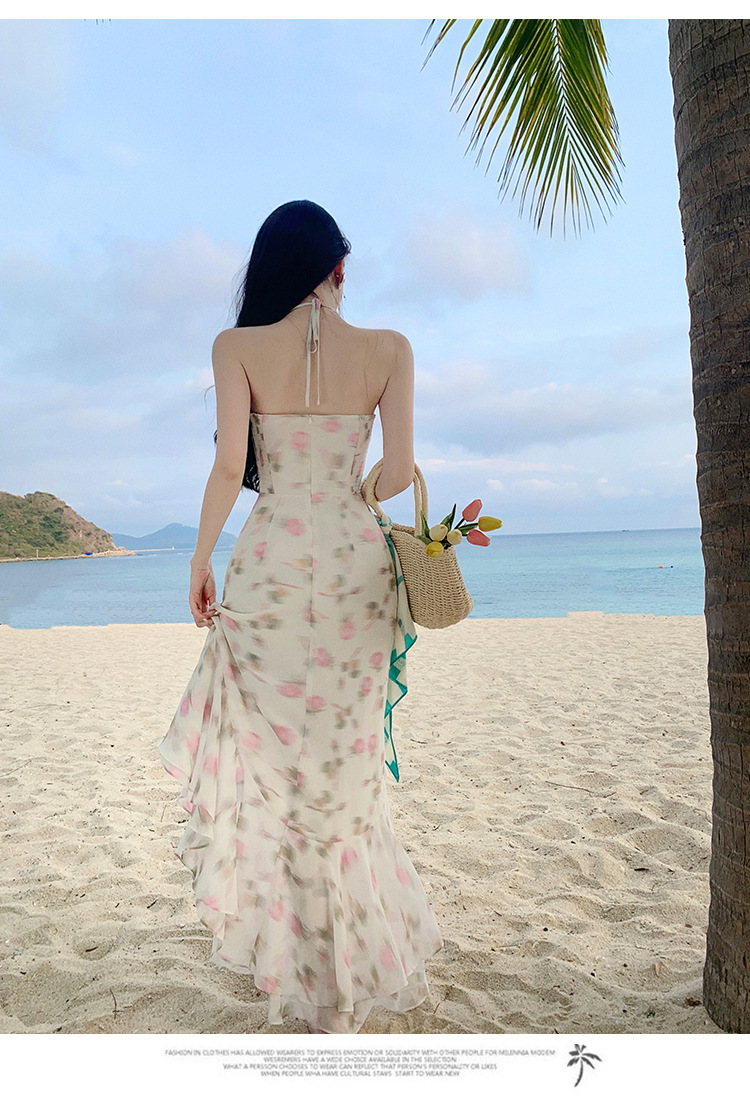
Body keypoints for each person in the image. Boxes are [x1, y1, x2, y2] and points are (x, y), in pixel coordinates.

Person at [159, 199, 443, 1034]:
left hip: (270, 567)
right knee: (346, 773)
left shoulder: (236, 347)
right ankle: (348, 972)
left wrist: (200, 559)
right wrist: (351, 492)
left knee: (279, 768)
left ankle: (297, 958)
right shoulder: (390, 349)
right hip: (358, 570)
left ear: (272, 269)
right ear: (338, 269)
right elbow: (398, 472)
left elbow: (228, 467)